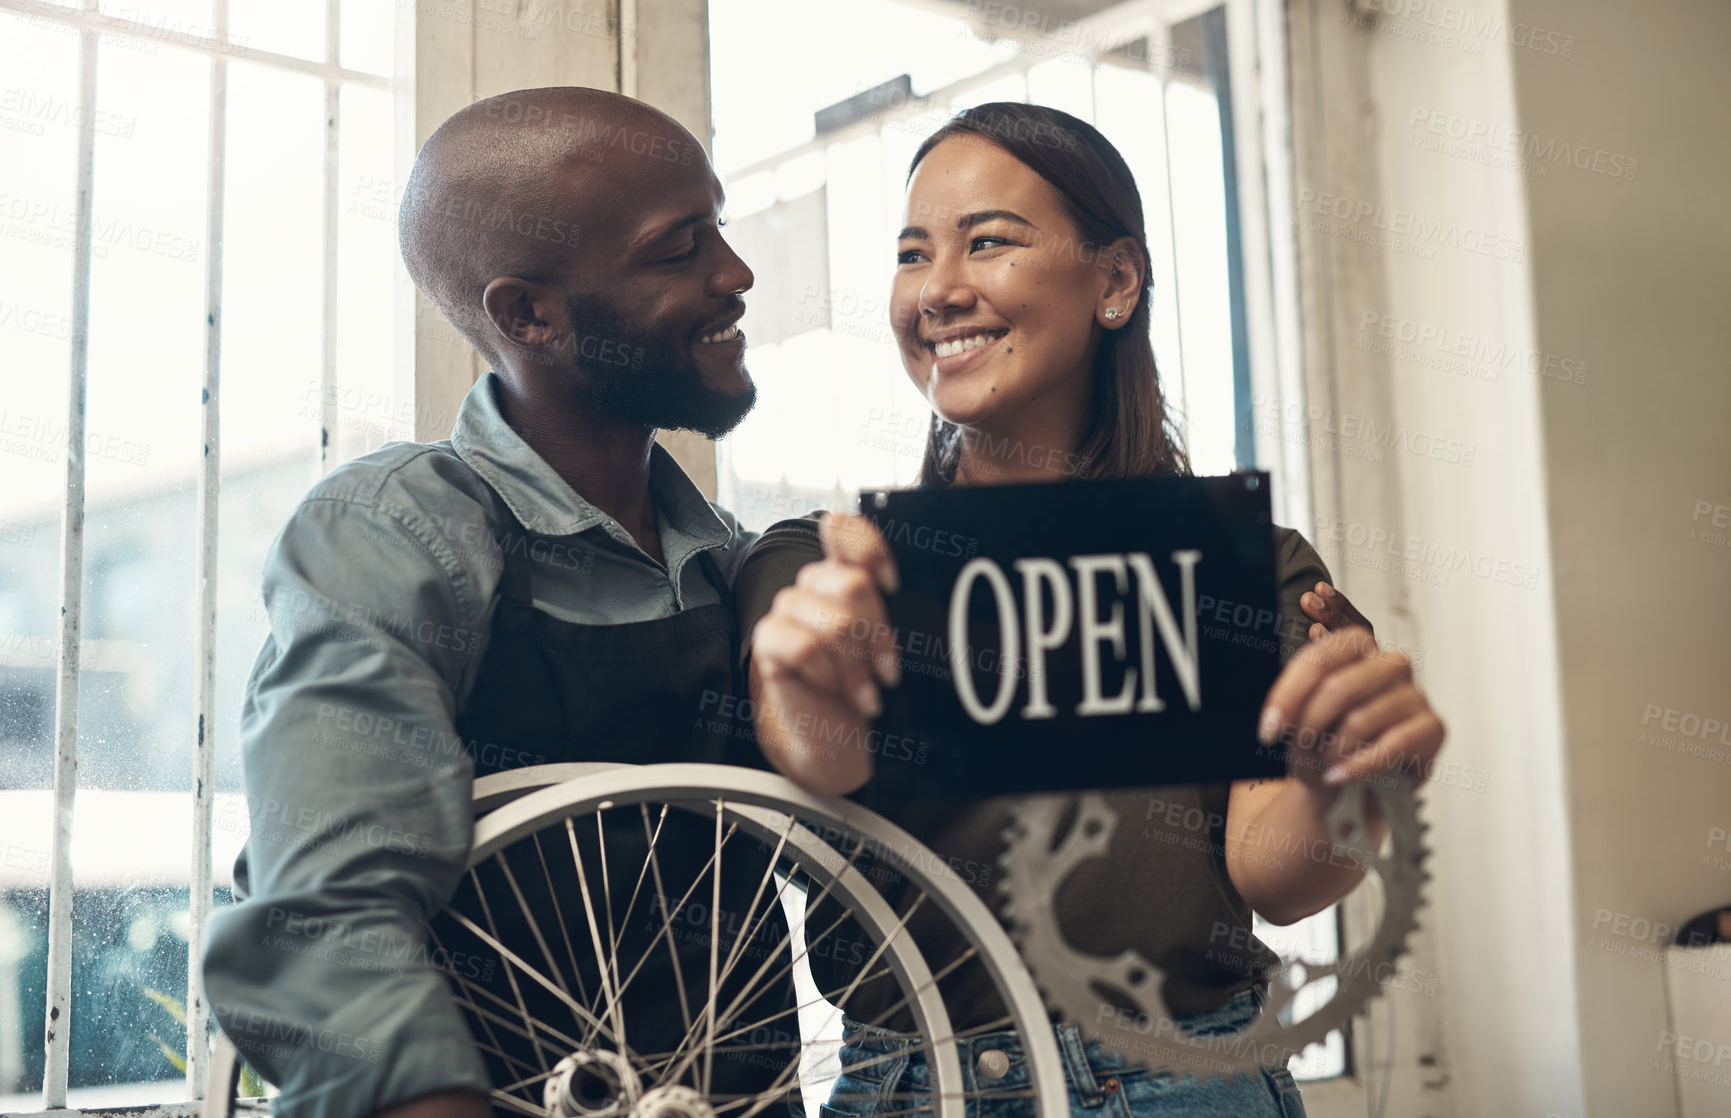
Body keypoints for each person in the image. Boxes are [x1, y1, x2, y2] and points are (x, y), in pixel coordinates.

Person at [734, 103, 1446, 1117]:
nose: (937, 290)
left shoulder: (1245, 568)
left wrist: (1351, 779)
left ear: (1115, 281)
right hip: (912, 1090)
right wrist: (805, 675)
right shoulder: (813, 564)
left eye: (987, 242)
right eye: (911, 253)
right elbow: (823, 754)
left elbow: (1273, 878)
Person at [202, 87, 793, 1118]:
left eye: (722, 231)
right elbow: (324, 916)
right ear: (528, 314)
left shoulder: (724, 563)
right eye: (678, 250)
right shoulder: (393, 531)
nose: (736, 276)